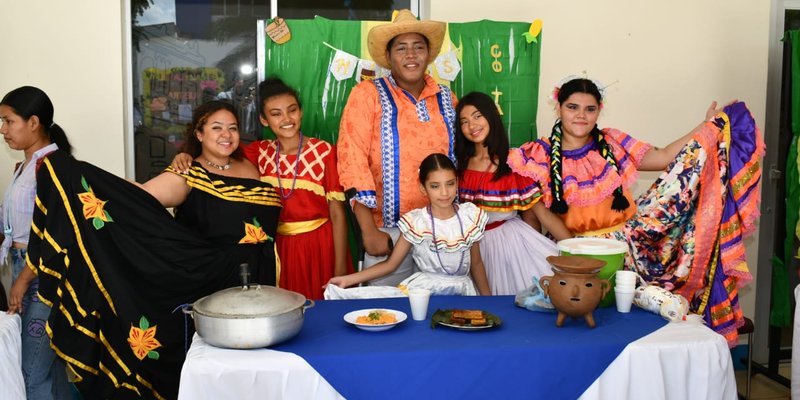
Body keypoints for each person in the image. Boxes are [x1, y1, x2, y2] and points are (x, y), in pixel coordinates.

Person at [25, 100, 282, 399]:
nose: (226, 134)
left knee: (253, 371)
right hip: (209, 287)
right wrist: (77, 174)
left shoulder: (251, 165)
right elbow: (139, 197)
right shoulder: (188, 174)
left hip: (256, 283)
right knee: (212, 368)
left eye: (233, 128)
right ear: (199, 134)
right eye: (216, 127)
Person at [508, 77, 764, 345]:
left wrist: (707, 126)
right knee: (580, 332)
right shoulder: (537, 154)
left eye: (590, 109)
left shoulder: (613, 142)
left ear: (599, 110)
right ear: (558, 108)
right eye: (573, 107)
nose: (581, 115)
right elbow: (533, 219)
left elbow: (664, 156)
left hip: (630, 251)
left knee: (628, 329)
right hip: (574, 257)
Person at [172, 78, 351, 300]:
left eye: (292, 110)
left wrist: (341, 266)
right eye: (276, 114)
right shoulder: (258, 153)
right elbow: (217, 152)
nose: (286, 119)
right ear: (264, 120)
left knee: (323, 311)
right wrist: (186, 155)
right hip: (274, 249)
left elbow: (337, 213)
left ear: (301, 112)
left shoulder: (324, 151)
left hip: (318, 246)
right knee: (285, 309)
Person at [337, 9, 455, 286]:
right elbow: (351, 158)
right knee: (387, 312)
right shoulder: (367, 95)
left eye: (418, 47)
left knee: (437, 311)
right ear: (388, 57)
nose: (410, 55)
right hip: (387, 231)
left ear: (428, 54)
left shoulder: (447, 98)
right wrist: (368, 230)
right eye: (401, 48)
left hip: (439, 229)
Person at [455, 92, 570, 295]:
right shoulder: (460, 165)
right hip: (473, 249)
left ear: (491, 116)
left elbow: (543, 214)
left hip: (510, 246)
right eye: (464, 121)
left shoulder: (513, 162)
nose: (472, 125)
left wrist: (575, 251)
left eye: (477, 116)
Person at [328, 153, 490, 295]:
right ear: (423, 188)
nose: (444, 193)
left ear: (457, 183)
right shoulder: (416, 222)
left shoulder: (469, 216)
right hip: (425, 295)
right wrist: (347, 280)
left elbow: (476, 263)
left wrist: (488, 299)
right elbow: (391, 265)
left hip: (463, 293)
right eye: (435, 186)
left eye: (450, 184)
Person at [0, 86, 73, 400]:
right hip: (23, 270)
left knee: (31, 372)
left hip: (41, 278)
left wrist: (23, 279)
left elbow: (53, 235)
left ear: (33, 122)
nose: (3, 130)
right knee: (49, 369)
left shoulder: (52, 168)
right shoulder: (25, 167)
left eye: (8, 121)